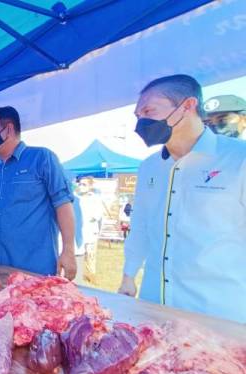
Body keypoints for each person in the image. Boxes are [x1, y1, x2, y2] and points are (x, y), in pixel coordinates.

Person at [118, 74, 246, 323]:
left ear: (187, 106)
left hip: (217, 315)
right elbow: (141, 226)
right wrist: (128, 275)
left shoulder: (239, 159)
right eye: (137, 116)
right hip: (154, 309)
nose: (141, 122)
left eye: (148, 110)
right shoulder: (149, 167)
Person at [0, 106, 77, 279]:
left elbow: (63, 204)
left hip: (36, 272)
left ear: (8, 129)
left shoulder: (42, 158)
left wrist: (68, 250)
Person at [75, 177, 104, 284]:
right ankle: (78, 275)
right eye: (80, 184)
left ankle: (91, 276)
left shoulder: (95, 198)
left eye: (84, 184)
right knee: (79, 254)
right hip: (78, 232)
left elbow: (98, 215)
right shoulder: (76, 198)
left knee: (91, 256)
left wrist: (90, 218)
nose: (81, 186)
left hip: (90, 231)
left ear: (90, 186)